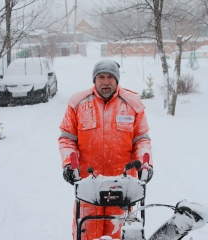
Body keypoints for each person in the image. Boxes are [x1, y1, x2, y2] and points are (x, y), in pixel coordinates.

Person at [58, 59, 153, 240]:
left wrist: (145, 166)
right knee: (87, 232)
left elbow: (141, 141)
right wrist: (69, 165)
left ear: (117, 80)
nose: (106, 82)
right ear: (94, 80)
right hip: (88, 185)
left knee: (119, 233)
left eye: (110, 77)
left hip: (122, 184)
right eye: (101, 77)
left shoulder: (132, 105)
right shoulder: (78, 104)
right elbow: (67, 139)